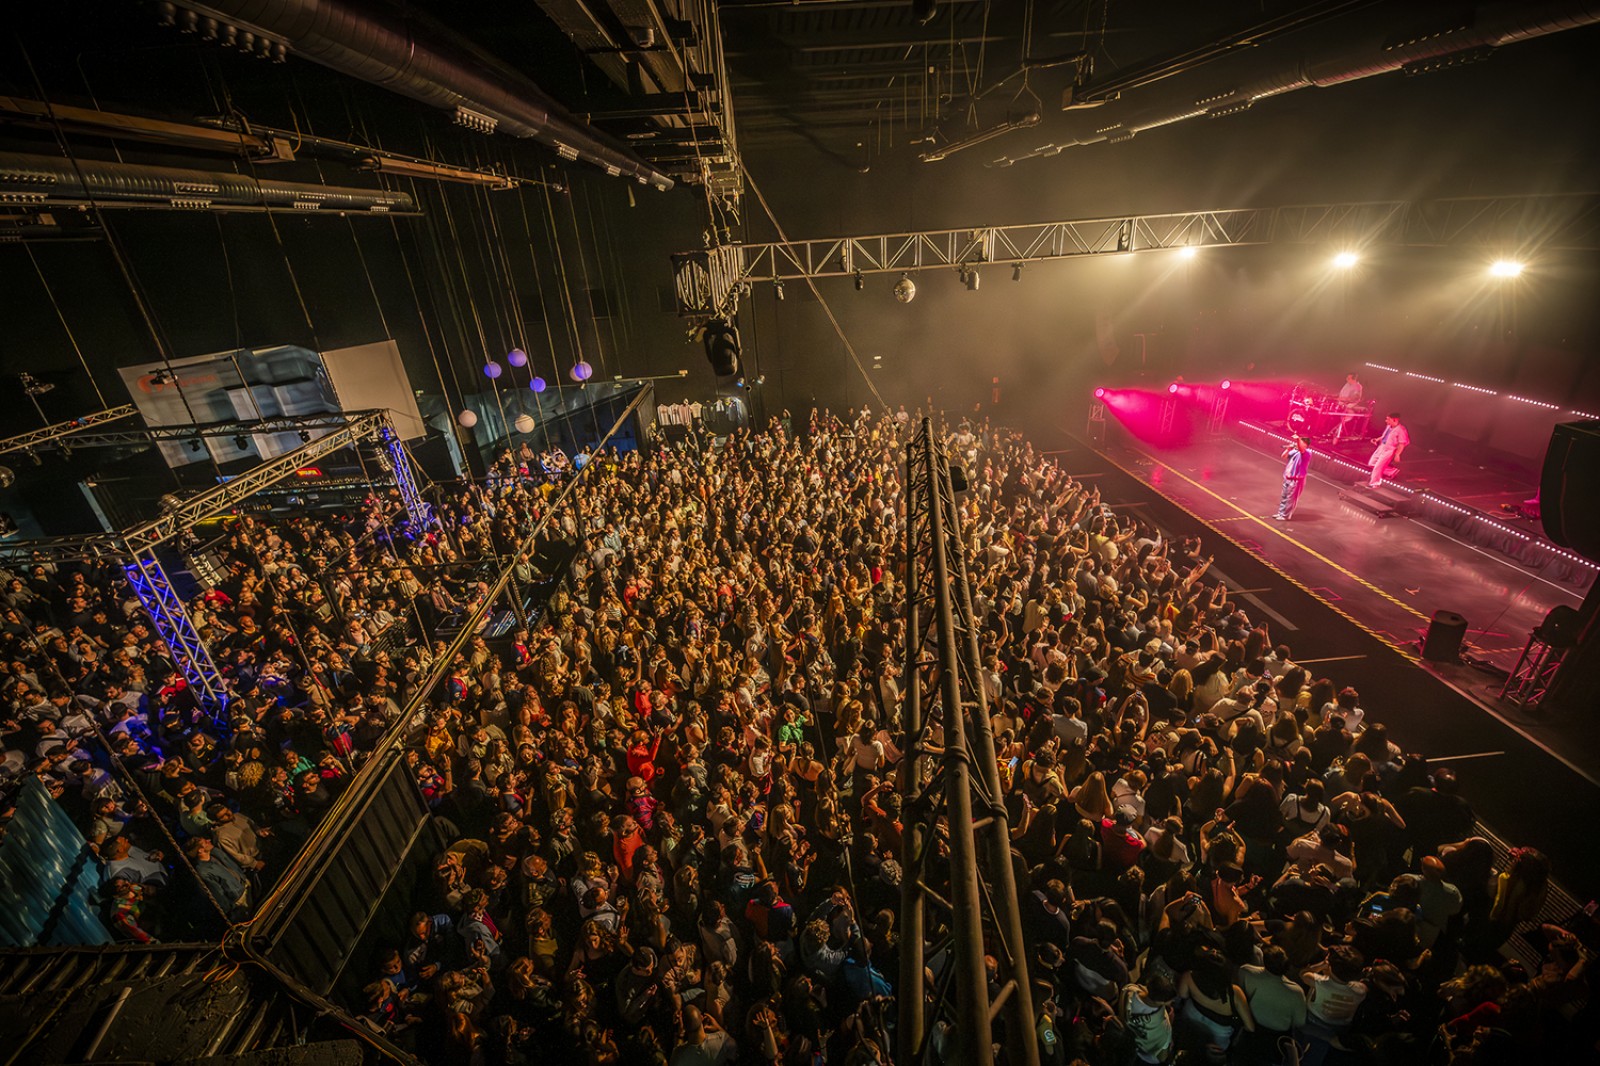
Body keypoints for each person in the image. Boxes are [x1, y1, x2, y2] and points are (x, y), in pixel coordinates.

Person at [1366, 412, 1409, 488]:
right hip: (1382, 447)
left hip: (1389, 450)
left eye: (1388, 419)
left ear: (1395, 420)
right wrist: (1376, 439)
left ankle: (1375, 484)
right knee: (1371, 463)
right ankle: (1392, 471)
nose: (1386, 421)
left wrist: (1397, 454)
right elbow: (1384, 436)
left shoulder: (1401, 430)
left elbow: (1402, 443)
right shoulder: (1389, 426)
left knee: (1378, 467)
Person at [1274, 436, 1311, 521]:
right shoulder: (1295, 451)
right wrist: (1288, 449)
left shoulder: (1307, 453)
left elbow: (1302, 450)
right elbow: (1283, 456)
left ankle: (1285, 516)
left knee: (1291, 498)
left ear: (1305, 444)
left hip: (1296, 480)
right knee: (1284, 496)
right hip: (1287, 477)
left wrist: (1298, 439)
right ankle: (1281, 513)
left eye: (1301, 442)